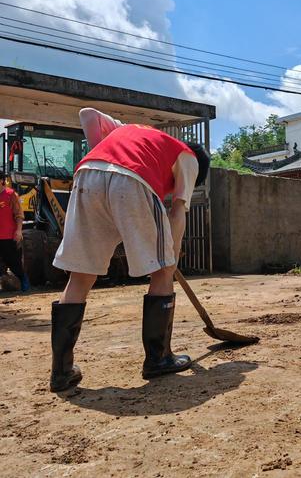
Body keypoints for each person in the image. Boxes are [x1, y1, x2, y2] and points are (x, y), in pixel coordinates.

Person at [49, 108, 210, 392]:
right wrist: (170, 256)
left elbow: (87, 114)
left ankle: (61, 372)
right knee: (162, 272)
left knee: (80, 276)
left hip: (87, 175)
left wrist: (102, 151)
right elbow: (178, 209)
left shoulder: (130, 130)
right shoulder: (188, 156)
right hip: (133, 179)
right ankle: (158, 359)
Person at [0, 172, 30, 291]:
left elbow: (19, 215)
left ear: (2, 180)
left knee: (14, 263)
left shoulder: (10, 195)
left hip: (8, 236)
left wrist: (18, 231)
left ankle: (23, 280)